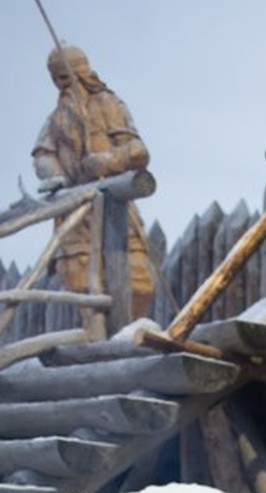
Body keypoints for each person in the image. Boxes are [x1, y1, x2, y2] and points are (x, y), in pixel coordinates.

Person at [32, 44, 155, 320]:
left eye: (68, 76)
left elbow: (138, 151)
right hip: (76, 213)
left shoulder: (110, 105)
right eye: (57, 78)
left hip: (115, 210)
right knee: (82, 281)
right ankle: (96, 338)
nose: (63, 84)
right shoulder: (56, 119)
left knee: (139, 280)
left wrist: (109, 161)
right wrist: (54, 176)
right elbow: (43, 154)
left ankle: (127, 331)